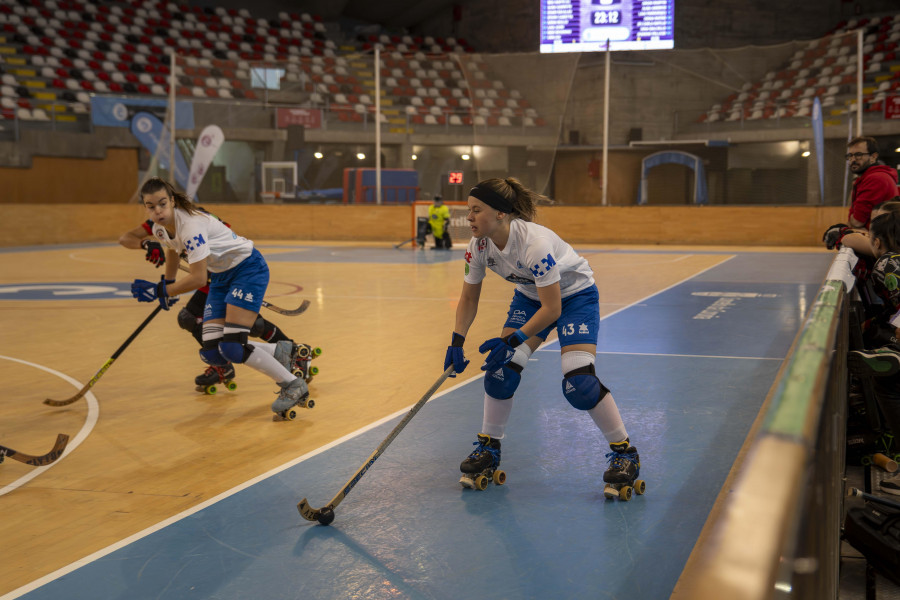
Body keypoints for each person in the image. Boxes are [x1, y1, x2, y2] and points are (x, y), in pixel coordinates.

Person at [443, 177, 641, 496]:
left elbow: (552, 308)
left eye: (476, 210)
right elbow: (468, 299)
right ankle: (489, 449)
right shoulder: (477, 247)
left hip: (574, 297)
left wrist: (512, 339)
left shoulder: (534, 244)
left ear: (501, 214)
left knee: (579, 381)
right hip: (529, 297)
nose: (468, 218)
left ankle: (625, 454)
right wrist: (456, 341)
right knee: (499, 372)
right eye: (468, 210)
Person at [128, 177, 310, 416]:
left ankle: (293, 384)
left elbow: (198, 279)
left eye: (162, 204)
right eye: (151, 206)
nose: (158, 211)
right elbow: (171, 249)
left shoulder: (191, 226)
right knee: (213, 351)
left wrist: (159, 291)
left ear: (172, 201)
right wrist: (168, 282)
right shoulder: (159, 228)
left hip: (246, 269)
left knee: (234, 348)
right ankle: (281, 351)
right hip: (222, 277)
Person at [119, 217, 313, 392]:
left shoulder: (192, 218)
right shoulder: (158, 220)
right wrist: (146, 245)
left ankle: (295, 354)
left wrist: (169, 286)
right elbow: (130, 239)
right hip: (211, 277)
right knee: (194, 320)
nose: (157, 210)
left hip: (223, 273)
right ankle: (227, 363)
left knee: (245, 326)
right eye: (152, 205)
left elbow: (226, 236)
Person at [844, 136, 899, 229]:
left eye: (858, 155)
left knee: (840, 236)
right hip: (875, 235)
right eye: (850, 155)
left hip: (881, 239)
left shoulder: (876, 178)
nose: (853, 160)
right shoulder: (865, 178)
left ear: (873, 157)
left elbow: (857, 222)